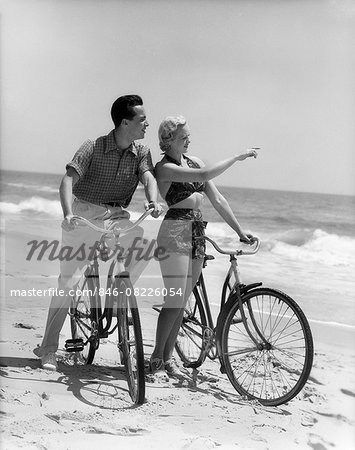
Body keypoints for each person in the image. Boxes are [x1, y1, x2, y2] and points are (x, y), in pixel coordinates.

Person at [33, 94, 162, 371]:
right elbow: (68, 180)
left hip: (116, 216)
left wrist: (153, 200)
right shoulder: (92, 147)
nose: (146, 124)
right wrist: (68, 214)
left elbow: (149, 177)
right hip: (84, 215)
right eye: (142, 120)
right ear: (125, 122)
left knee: (145, 246)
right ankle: (47, 348)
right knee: (69, 283)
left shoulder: (140, 152)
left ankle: (118, 299)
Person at [150, 115, 257, 380]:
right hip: (174, 231)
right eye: (184, 136)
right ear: (169, 140)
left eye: (189, 136)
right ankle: (156, 358)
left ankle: (167, 358)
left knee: (182, 302)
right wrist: (236, 157)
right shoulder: (164, 168)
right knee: (174, 299)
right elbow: (205, 174)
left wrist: (239, 231)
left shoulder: (193, 160)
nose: (189, 140)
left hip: (197, 232)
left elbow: (218, 199)